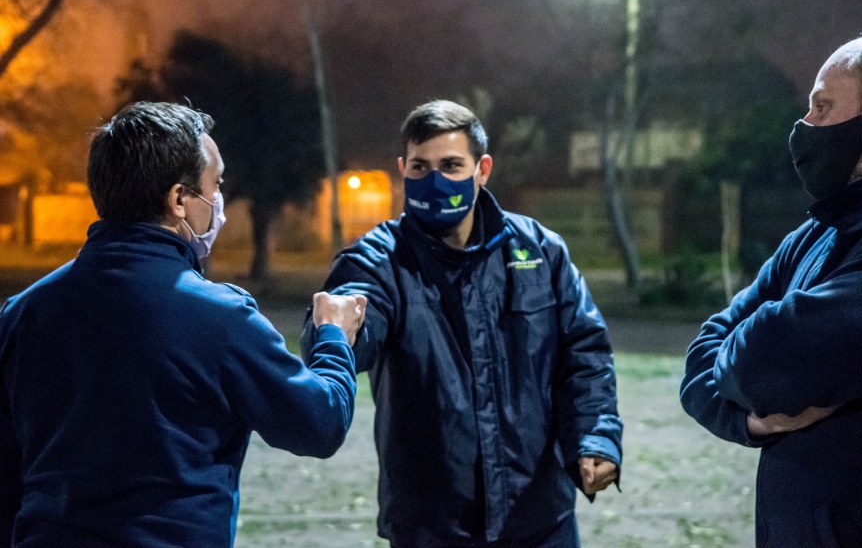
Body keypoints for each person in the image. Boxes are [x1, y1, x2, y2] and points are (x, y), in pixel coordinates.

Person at [0, 101, 366, 547]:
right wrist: (333, 335)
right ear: (178, 200)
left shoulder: (22, 313)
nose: (219, 200)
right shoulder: (220, 316)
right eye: (216, 185)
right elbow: (319, 422)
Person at [301, 100, 622, 547]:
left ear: (483, 169)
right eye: (420, 167)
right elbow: (350, 319)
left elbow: (584, 354)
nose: (434, 181)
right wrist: (340, 331)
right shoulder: (379, 260)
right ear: (402, 170)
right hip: (432, 527)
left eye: (451, 165)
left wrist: (595, 439)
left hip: (540, 520)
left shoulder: (539, 252)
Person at [680, 37, 862, 547]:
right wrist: (753, 422)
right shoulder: (814, 234)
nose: (805, 126)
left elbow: (761, 362)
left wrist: (749, 371)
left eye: (823, 107)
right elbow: (706, 350)